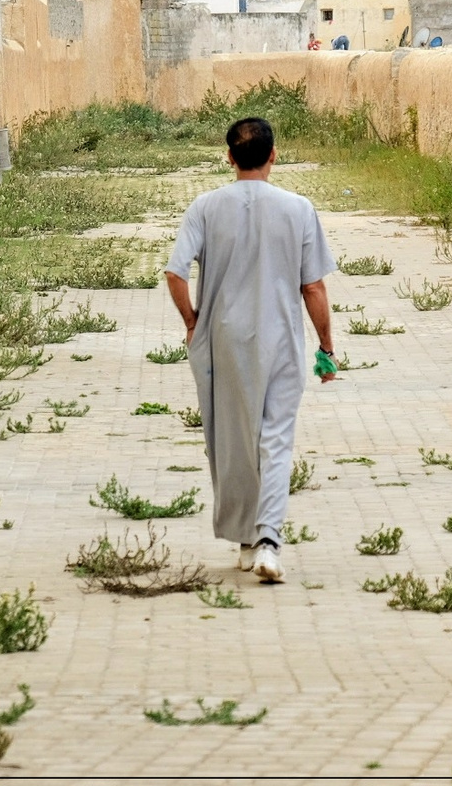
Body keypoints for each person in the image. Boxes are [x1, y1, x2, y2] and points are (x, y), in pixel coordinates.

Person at [163, 118, 338, 584]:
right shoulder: (298, 209)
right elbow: (314, 286)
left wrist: (192, 322)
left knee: (233, 440)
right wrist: (326, 346)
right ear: (274, 155)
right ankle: (266, 541)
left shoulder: (205, 207)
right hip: (280, 339)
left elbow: (175, 272)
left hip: (222, 341)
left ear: (229, 157)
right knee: (275, 438)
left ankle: (249, 541)